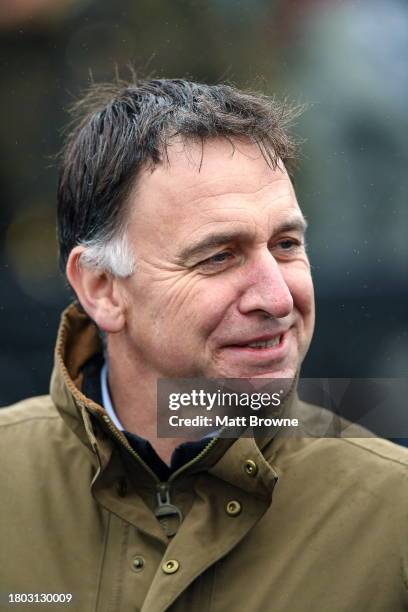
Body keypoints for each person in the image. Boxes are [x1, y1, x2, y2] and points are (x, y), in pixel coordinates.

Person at [0, 79, 407, 612]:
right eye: (218, 256)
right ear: (102, 287)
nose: (277, 296)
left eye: (286, 246)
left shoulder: (392, 515)